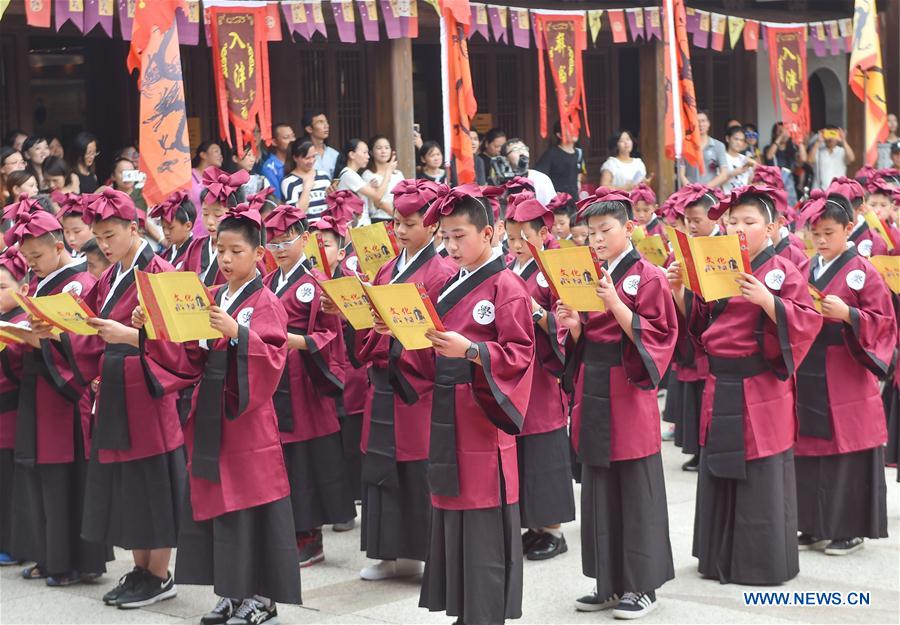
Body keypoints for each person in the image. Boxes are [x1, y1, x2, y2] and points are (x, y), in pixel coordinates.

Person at [134, 202, 301, 625]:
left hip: (247, 416)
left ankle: (261, 598)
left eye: (236, 251)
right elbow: (188, 353)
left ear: (258, 254)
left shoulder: (265, 301)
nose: (225, 259)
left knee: (251, 504)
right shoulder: (210, 296)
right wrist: (150, 325)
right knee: (221, 504)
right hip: (210, 413)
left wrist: (238, 333)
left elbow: (274, 357)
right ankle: (231, 591)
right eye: (220, 250)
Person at [668, 185, 821, 585]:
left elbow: (807, 321)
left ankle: (759, 564)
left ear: (770, 228)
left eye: (748, 222)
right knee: (719, 465)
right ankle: (717, 557)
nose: (737, 228)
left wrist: (768, 301)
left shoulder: (782, 269)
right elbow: (700, 326)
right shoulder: (715, 265)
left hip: (761, 384)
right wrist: (680, 291)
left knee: (760, 469)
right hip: (720, 381)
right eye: (732, 221)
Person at [416, 185, 534, 625]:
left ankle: (484, 615)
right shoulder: (450, 282)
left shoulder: (507, 286)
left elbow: (520, 354)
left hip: (483, 413)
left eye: (459, 235)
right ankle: (465, 613)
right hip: (448, 409)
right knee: (453, 509)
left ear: (489, 233)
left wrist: (472, 350)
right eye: (445, 237)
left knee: (482, 515)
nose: (451, 246)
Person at [557, 188, 677, 618]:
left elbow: (659, 338)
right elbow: (583, 340)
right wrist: (573, 325)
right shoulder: (590, 273)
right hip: (593, 385)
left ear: (629, 228)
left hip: (628, 388)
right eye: (590, 233)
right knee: (599, 489)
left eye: (604, 230)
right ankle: (607, 582)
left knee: (635, 488)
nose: (596, 240)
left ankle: (642, 586)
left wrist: (615, 304)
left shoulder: (649, 276)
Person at [78, 189, 194, 609]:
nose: (104, 245)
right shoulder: (112, 275)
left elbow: (182, 338)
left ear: (133, 228)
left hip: (148, 387)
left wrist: (131, 335)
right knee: (129, 482)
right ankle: (141, 569)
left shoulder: (159, 270)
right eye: (98, 237)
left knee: (152, 479)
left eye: (110, 235)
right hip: (116, 384)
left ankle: (159, 573)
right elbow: (94, 323)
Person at [343, 179, 455, 581]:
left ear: (432, 225)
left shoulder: (442, 272)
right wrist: (357, 316)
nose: (401, 231)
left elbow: (439, 336)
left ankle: (422, 556)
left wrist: (396, 335)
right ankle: (387, 555)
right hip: (382, 381)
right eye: (396, 222)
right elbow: (369, 329)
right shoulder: (387, 269)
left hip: (415, 385)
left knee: (416, 469)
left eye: (410, 223)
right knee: (381, 465)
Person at [3, 207, 112, 587]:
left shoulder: (79, 283)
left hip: (66, 391)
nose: (31, 264)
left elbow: (85, 344)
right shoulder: (42, 282)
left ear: (59, 247)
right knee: (40, 474)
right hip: (40, 386)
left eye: (36, 255)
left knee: (66, 478)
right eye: (27, 257)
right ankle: (49, 555)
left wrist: (42, 340)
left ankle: (74, 562)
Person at [793, 190, 894, 556]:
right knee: (810, 446)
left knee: (847, 446)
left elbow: (885, 323)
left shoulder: (862, 271)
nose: (821, 240)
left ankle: (850, 529)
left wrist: (850, 315)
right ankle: (812, 523)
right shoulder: (806, 268)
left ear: (849, 229)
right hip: (810, 364)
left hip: (845, 367)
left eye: (829, 233)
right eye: (815, 233)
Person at [261, 202, 356, 569]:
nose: (280, 249)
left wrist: (294, 341)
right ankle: (287, 532)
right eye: (274, 243)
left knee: (305, 460)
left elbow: (331, 335)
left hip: (304, 382)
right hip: (274, 377)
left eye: (287, 241)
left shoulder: (316, 282)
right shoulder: (268, 282)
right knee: (281, 457)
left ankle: (310, 536)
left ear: (305, 240)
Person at [504, 193, 575, 562]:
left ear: (543, 234)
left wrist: (534, 311)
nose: (516, 245)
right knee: (521, 448)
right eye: (511, 238)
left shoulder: (554, 270)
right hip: (514, 372)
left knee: (544, 447)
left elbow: (565, 326)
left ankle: (554, 530)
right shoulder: (508, 269)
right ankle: (533, 525)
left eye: (524, 238)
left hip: (543, 374)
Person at [0, 248, 29, 566]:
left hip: (11, 415)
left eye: (2, 287)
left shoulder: (22, 323)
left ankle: (11, 543)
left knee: (9, 485)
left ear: (23, 289)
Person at [183, 167, 249, 287]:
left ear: (233, 213)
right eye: (205, 214)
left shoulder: (243, 249)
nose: (210, 222)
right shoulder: (196, 245)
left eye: (217, 215)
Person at [335, 139, 393, 226]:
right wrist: (388, 172)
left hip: (360, 226)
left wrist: (370, 187)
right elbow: (377, 197)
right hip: (357, 228)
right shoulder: (349, 174)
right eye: (364, 152)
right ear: (352, 155)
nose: (368, 156)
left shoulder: (351, 174)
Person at [828, 177, 889, 258]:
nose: (833, 215)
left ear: (860, 209)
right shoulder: (821, 236)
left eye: (841, 211)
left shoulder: (876, 243)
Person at [281, 140, 331, 223]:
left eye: (314, 156)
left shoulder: (324, 176)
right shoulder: (289, 182)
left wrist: (332, 196)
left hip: (326, 227)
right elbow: (296, 214)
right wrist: (306, 188)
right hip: (307, 229)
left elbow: (332, 208)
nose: (311, 161)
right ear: (295, 158)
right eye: (307, 158)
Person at [534, 121, 585, 201]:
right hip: (557, 201)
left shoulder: (579, 153)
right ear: (559, 135)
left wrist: (578, 182)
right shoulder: (551, 154)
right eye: (570, 130)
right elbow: (538, 176)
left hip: (574, 199)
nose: (575, 132)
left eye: (575, 129)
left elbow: (580, 172)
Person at [149, 190, 197, 270]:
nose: (166, 232)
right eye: (163, 227)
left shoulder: (195, 254)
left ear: (188, 226)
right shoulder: (167, 253)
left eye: (171, 228)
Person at [680, 111, 728, 187]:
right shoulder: (684, 146)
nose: (700, 124)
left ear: (708, 123)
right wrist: (691, 189)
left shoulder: (719, 146)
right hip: (689, 190)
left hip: (711, 190)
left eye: (703, 121)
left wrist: (705, 188)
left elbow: (724, 174)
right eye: (697, 121)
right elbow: (681, 174)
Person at [363, 136, 404, 223]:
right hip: (378, 220)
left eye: (387, 148)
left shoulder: (398, 174)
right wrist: (388, 172)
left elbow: (404, 198)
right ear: (371, 152)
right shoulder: (368, 174)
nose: (383, 151)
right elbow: (377, 201)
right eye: (379, 148)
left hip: (399, 220)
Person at [502, 139, 556, 205]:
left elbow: (551, 206)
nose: (522, 152)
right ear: (506, 159)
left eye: (524, 148)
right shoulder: (502, 180)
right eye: (515, 150)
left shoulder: (540, 178)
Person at [190, 142, 224, 237]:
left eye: (221, 153)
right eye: (216, 151)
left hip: (214, 234)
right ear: (203, 155)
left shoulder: (219, 179)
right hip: (193, 234)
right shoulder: (189, 176)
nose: (220, 156)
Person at [764, 122, 808, 195]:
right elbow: (769, 156)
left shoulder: (792, 150)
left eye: (786, 131)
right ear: (774, 134)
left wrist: (799, 140)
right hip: (773, 185)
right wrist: (781, 136)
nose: (784, 133)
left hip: (789, 187)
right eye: (780, 131)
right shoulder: (768, 148)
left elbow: (804, 159)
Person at [260, 123, 296, 200]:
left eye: (293, 136)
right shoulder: (270, 167)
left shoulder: (298, 159)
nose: (292, 140)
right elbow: (276, 198)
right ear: (274, 142)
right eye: (286, 137)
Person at [719, 126, 757, 193]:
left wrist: (754, 169)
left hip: (743, 197)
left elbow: (748, 183)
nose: (739, 142)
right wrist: (733, 173)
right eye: (736, 139)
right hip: (727, 196)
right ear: (727, 139)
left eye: (742, 140)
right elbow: (717, 183)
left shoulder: (745, 159)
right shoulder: (721, 158)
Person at [303, 110, 340, 178]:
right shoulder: (303, 155)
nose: (326, 126)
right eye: (320, 122)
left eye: (326, 122)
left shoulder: (334, 154)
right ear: (309, 129)